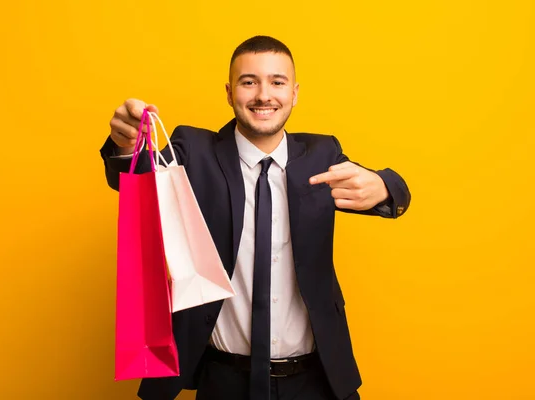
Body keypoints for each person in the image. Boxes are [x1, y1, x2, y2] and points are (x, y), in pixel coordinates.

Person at [100, 35, 411, 400]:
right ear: (230, 92)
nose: (264, 95)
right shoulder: (194, 151)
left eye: (277, 82)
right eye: (250, 82)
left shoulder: (321, 153)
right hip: (223, 378)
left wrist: (385, 187)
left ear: (294, 93)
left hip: (315, 379)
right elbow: (135, 180)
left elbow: (390, 190)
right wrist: (125, 143)